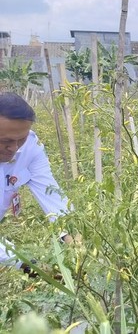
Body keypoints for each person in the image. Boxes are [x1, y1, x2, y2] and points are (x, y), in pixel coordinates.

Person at [0, 92, 73, 273]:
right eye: (6, 141)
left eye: (20, 140)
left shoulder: (31, 147)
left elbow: (52, 195)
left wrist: (75, 241)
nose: (14, 148)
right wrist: (30, 266)